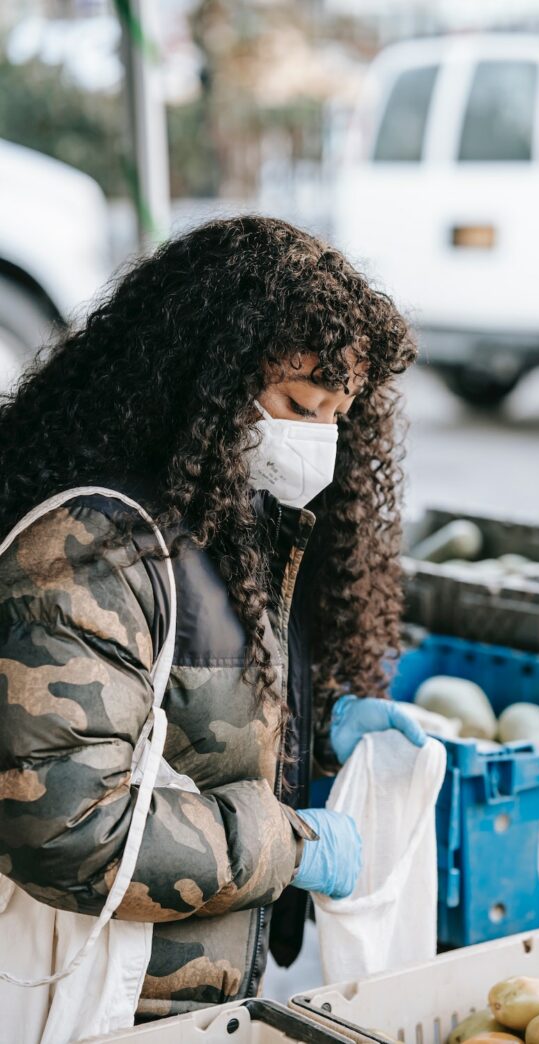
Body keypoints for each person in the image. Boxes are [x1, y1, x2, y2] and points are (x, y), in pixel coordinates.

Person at [0, 216, 426, 1020]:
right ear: (209, 373)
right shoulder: (89, 552)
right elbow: (65, 827)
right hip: (110, 1007)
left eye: (341, 414)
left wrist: (320, 724)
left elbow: (196, 701)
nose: (320, 440)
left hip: (205, 999)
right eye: (300, 404)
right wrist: (289, 848)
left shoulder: (245, 515)